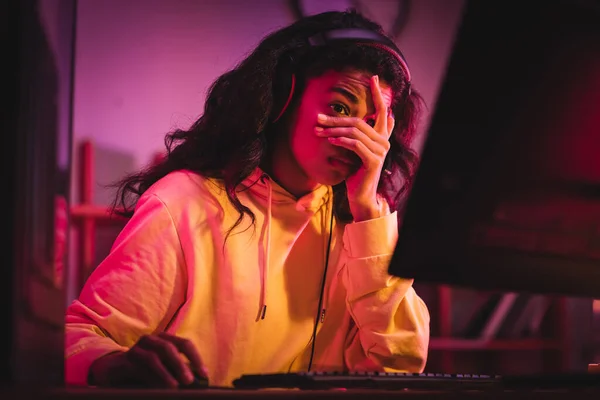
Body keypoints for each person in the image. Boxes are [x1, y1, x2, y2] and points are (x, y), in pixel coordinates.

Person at [65, 9, 430, 389]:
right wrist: (110, 364)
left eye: (372, 123)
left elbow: (398, 371)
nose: (356, 137)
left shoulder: (361, 227)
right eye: (339, 108)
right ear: (283, 97)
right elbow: (81, 337)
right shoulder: (183, 203)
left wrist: (369, 214)